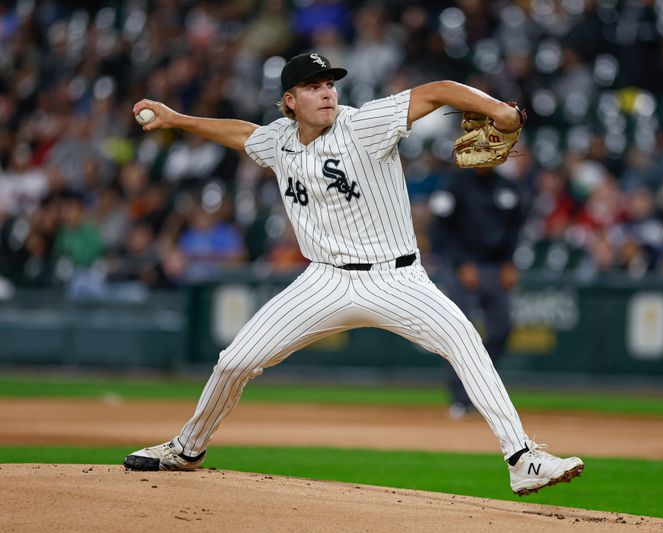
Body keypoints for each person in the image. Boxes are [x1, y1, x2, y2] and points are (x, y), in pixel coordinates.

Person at [123, 52, 583, 495]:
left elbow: (439, 90)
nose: (326, 93)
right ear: (289, 101)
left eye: (329, 84)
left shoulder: (363, 124)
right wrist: (177, 119)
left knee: (464, 342)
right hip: (323, 281)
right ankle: (186, 449)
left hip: (396, 278)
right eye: (312, 87)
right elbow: (242, 133)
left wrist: (499, 110)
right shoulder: (279, 139)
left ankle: (522, 460)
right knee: (234, 362)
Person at [429, 167, 524, 419]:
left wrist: (509, 262)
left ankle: (481, 392)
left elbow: (516, 228)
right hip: (462, 268)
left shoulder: (506, 186)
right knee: (461, 333)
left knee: (501, 329)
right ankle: (460, 399)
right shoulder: (453, 185)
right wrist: (461, 264)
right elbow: (440, 230)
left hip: (495, 267)